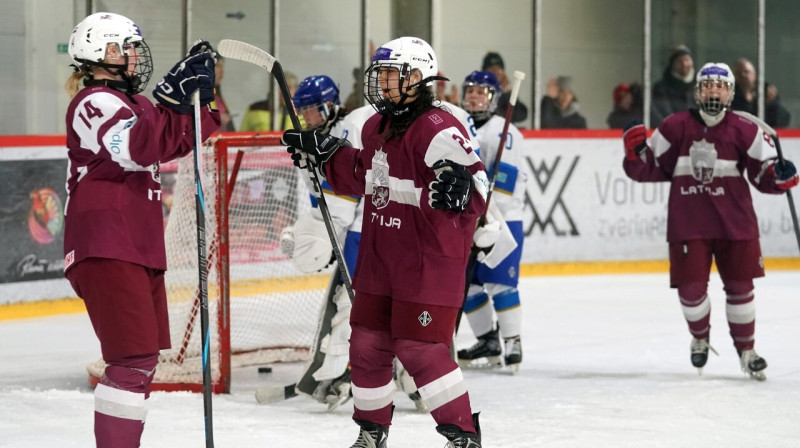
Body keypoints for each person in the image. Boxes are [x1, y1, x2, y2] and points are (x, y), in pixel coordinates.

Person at [282, 36, 488, 447]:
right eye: (380, 74)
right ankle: (371, 432)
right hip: (381, 258)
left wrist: (461, 186)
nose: (381, 83)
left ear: (416, 78)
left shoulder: (438, 126)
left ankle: (462, 433)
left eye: (391, 75)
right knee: (367, 344)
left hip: (426, 261)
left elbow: (477, 181)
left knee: (419, 349)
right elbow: (363, 174)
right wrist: (326, 153)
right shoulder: (378, 126)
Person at [63, 12, 219, 447]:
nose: (134, 56)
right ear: (100, 54)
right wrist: (171, 95)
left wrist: (202, 98)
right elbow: (137, 146)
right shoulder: (93, 101)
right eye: (124, 48)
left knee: (141, 361)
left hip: (136, 244)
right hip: (107, 242)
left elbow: (182, 138)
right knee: (131, 362)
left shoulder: (138, 105)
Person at [622, 62, 799, 381]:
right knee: (690, 291)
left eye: (720, 86)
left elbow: (764, 173)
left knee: (742, 288)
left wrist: (779, 176)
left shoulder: (746, 129)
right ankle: (700, 336)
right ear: (697, 91)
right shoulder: (674, 127)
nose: (713, 91)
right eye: (707, 85)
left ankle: (747, 351)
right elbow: (649, 168)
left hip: (736, 223)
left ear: (730, 92)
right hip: (689, 222)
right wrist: (635, 154)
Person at [457, 71, 526, 374]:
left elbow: (506, 184)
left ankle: (512, 342)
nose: (474, 96)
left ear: (494, 99)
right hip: (470, 217)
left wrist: (486, 215)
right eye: (470, 91)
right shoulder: (459, 125)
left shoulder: (505, 132)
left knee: (500, 282)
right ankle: (488, 341)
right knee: (467, 284)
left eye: (482, 92)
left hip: (501, 218)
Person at [730, 58, 791, 128]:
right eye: (738, 73)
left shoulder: (766, 92)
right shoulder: (730, 94)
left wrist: (770, 103)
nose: (743, 75)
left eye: (746, 72)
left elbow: (784, 118)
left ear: (754, 75)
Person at [651, 45, 695, 127]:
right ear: (672, 64)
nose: (684, 64)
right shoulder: (661, 88)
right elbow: (663, 115)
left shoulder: (701, 86)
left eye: (687, 60)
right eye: (680, 61)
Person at [481, 51, 529, 125]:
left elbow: (521, 115)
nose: (496, 72)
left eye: (498, 69)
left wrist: (507, 93)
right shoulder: (478, 91)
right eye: (492, 69)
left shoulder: (506, 94)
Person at [214, 55, 235, 131]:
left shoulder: (217, 98)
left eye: (222, 66)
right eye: (218, 66)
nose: (222, 71)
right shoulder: (195, 98)